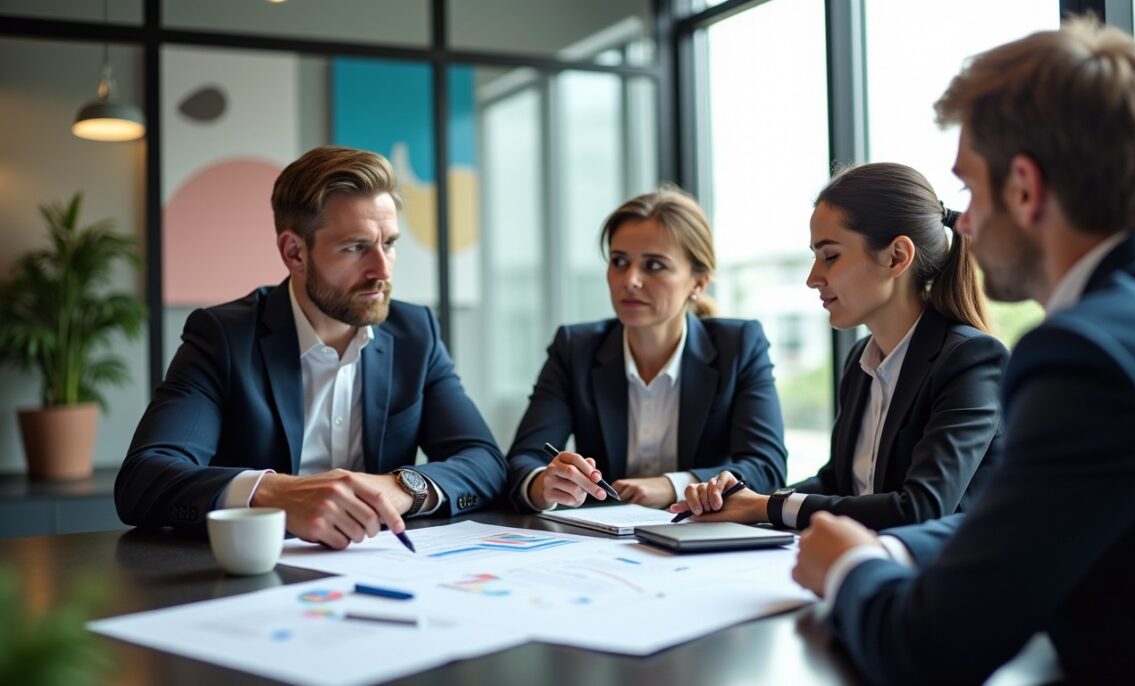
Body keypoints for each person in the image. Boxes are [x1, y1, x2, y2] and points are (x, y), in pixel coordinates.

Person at [792, 18, 1135, 684]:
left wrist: (849, 567)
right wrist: (895, 548)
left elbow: (928, 649)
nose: (964, 223)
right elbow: (1041, 523)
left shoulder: (1086, 358)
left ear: (1025, 189)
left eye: (970, 190)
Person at [115, 146, 506, 549]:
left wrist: (400, 487)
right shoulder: (224, 338)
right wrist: (277, 494)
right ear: (295, 252)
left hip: (381, 564)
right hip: (255, 567)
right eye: (355, 247)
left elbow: (485, 461)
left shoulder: (415, 333)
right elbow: (143, 480)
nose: (382, 270)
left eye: (389, 243)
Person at [668, 163, 1007, 532]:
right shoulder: (861, 360)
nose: (813, 278)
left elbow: (921, 508)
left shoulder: (970, 360)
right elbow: (836, 484)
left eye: (830, 256)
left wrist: (766, 507)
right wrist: (743, 498)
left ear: (897, 256)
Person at [506, 186, 787, 512]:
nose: (630, 280)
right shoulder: (575, 349)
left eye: (654, 265)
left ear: (698, 283)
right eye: (619, 262)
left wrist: (672, 485)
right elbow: (523, 460)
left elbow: (766, 467)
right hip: (598, 536)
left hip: (701, 533)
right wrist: (544, 483)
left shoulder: (739, 346)